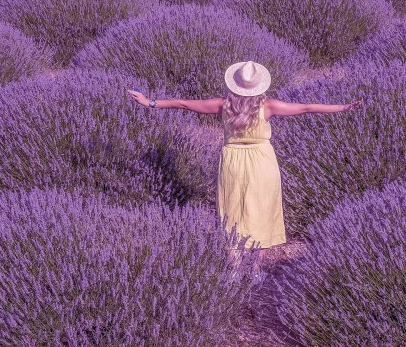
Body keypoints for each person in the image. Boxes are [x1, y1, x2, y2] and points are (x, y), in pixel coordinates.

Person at [127, 61, 362, 275]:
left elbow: (183, 104)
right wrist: (342, 108)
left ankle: (234, 270)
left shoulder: (222, 105)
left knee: (232, 210)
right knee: (260, 210)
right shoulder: (267, 106)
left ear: (234, 84)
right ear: (258, 86)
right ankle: (255, 270)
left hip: (233, 160)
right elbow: (306, 108)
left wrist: (151, 102)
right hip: (263, 162)